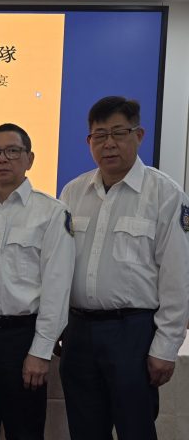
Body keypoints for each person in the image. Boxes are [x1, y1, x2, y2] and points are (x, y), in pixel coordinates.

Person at [59, 96, 189, 439]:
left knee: (136, 429)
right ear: (89, 141)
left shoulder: (166, 194)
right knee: (84, 430)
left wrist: (165, 347)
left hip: (133, 333)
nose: (109, 144)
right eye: (100, 136)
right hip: (78, 332)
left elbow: (178, 277)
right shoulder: (73, 192)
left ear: (139, 135)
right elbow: (58, 267)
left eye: (119, 133)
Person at [0, 123, 75, 439]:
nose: (2, 159)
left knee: (24, 431)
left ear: (30, 159)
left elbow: (58, 287)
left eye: (12, 151)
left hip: (22, 339)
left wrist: (40, 351)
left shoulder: (51, 213)